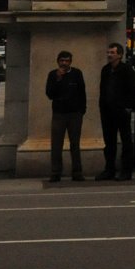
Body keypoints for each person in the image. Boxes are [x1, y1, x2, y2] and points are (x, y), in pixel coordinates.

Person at [97, 42, 135, 180]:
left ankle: (126, 170)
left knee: (126, 141)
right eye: (108, 52)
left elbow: (134, 89)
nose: (109, 55)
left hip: (121, 111)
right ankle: (109, 169)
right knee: (109, 142)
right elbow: (103, 89)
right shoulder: (105, 70)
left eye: (112, 53)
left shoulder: (127, 70)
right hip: (107, 111)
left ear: (120, 55)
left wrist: (128, 107)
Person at [44, 50, 85, 183]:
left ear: (70, 62)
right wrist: (58, 79)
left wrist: (82, 110)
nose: (64, 63)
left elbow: (82, 92)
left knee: (75, 143)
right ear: (58, 61)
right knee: (56, 144)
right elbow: (50, 94)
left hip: (74, 113)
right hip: (59, 113)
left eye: (67, 61)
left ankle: (77, 172)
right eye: (62, 61)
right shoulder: (52, 75)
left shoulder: (77, 74)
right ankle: (56, 172)